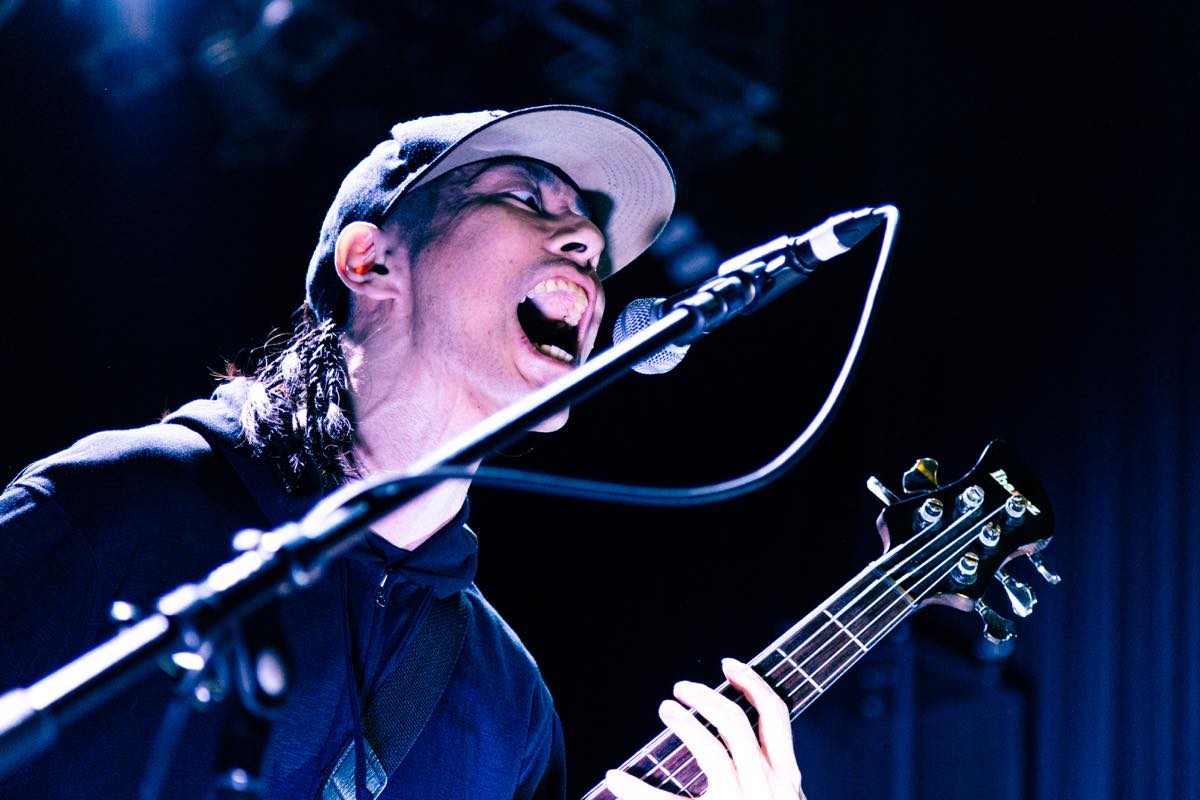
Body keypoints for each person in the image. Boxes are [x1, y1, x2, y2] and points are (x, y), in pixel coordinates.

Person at [0, 105, 804, 799]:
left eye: (593, 246)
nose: (586, 242)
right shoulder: (118, 508)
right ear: (371, 261)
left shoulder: (509, 705)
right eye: (527, 198)